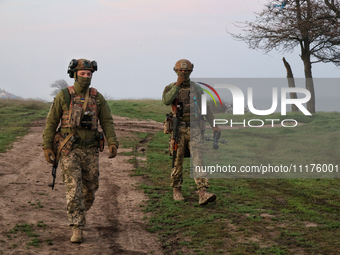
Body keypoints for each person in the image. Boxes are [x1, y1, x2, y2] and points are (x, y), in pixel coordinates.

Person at [42, 59, 119, 243]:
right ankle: (77, 227)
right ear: (75, 74)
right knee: (73, 189)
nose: (86, 77)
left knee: (90, 189)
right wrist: (46, 146)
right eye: (83, 74)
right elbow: (51, 123)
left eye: (89, 74)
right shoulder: (63, 96)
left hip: (91, 150)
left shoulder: (97, 97)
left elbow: (107, 121)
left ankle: (78, 213)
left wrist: (112, 142)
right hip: (69, 149)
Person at [162, 59, 221, 205]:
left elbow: (205, 108)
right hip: (178, 129)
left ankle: (203, 193)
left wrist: (214, 125)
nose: (184, 73)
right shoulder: (170, 88)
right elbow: (166, 101)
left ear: (191, 71)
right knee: (177, 160)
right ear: (175, 71)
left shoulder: (196, 88)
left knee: (198, 160)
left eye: (186, 71)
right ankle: (176, 190)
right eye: (181, 71)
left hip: (195, 128)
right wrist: (177, 85)